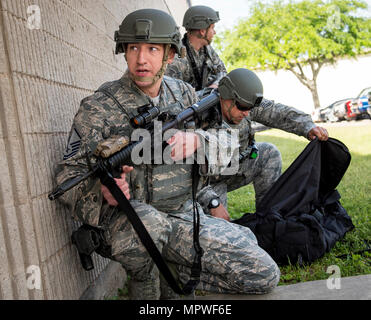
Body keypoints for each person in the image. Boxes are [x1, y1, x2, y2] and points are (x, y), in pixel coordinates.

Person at [55, 9, 280, 300]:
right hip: (128, 222)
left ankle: (177, 274)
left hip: (182, 215)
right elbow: (68, 176)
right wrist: (102, 193)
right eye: (134, 48)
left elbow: (229, 144)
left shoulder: (185, 96)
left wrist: (198, 140)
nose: (141, 59)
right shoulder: (99, 106)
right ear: (124, 51)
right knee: (150, 227)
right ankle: (149, 285)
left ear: (170, 55)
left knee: (262, 271)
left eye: (152, 49)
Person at [195, 68, 329, 222]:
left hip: (237, 166)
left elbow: (276, 111)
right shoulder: (197, 110)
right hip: (208, 181)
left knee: (269, 153)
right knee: (221, 231)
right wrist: (212, 201)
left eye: (250, 108)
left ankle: (269, 220)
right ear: (225, 95)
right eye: (242, 107)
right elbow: (183, 170)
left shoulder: (245, 99)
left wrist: (307, 126)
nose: (247, 113)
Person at [165, 5, 227, 96]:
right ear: (202, 31)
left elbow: (222, 71)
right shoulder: (177, 59)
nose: (214, 32)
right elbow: (173, 97)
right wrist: (208, 92)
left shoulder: (207, 49)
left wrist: (215, 85)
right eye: (212, 28)